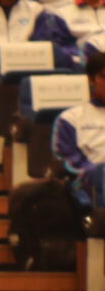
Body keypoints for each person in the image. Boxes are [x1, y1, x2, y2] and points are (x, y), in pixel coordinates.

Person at [53, 51, 105, 211]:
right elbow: (67, 161)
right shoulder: (70, 118)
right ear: (91, 79)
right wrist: (96, 170)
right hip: (88, 182)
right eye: (104, 77)